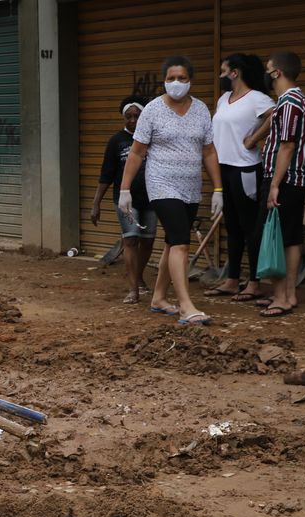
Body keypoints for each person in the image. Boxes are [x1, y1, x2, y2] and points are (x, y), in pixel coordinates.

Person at [119, 56, 224, 325]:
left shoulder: (200, 110)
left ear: (191, 80)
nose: (176, 83)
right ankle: (186, 306)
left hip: (190, 186)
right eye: (171, 78)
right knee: (180, 242)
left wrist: (218, 188)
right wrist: (125, 189)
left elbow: (209, 151)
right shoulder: (152, 110)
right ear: (164, 80)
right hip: (161, 183)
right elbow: (137, 152)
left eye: (182, 78)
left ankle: (158, 298)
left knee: (171, 242)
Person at [250, 51, 305, 318]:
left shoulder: (289, 102)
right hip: (296, 179)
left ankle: (280, 296)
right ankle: (289, 294)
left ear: (277, 72)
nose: (267, 74)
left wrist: (275, 184)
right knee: (290, 238)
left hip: (284, 179)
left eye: (269, 69)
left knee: (273, 235)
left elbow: (287, 146)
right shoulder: (302, 99)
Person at [205, 54, 276, 302]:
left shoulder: (257, 98)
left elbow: (275, 115)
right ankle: (232, 279)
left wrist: (254, 138)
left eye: (223, 71)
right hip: (223, 168)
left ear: (235, 72)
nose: (221, 76)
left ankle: (255, 282)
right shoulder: (224, 99)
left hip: (245, 168)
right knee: (232, 226)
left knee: (250, 227)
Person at [92, 97, 156, 304]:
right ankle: (133, 289)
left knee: (148, 241)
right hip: (126, 199)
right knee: (130, 239)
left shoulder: (153, 139)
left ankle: (138, 275)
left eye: (137, 116)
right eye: (129, 117)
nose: (133, 120)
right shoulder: (116, 141)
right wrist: (96, 203)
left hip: (151, 198)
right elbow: (106, 175)